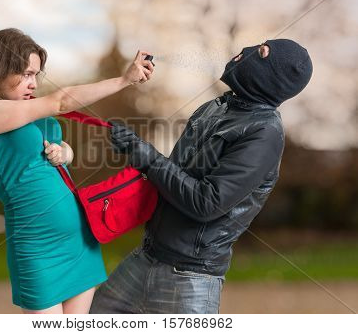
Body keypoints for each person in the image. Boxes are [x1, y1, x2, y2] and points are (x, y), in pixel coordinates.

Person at [90, 38, 313, 314]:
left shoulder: (265, 133)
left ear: (274, 76)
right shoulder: (214, 107)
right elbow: (175, 174)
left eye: (262, 52)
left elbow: (207, 202)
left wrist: (144, 155)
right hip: (146, 257)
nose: (248, 51)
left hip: (189, 279)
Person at [0, 28, 154, 314]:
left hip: (80, 242)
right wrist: (124, 80)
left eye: (36, 74)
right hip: (37, 245)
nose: (33, 83)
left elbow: (59, 151)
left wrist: (65, 152)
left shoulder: (28, 110)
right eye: (25, 73)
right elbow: (60, 102)